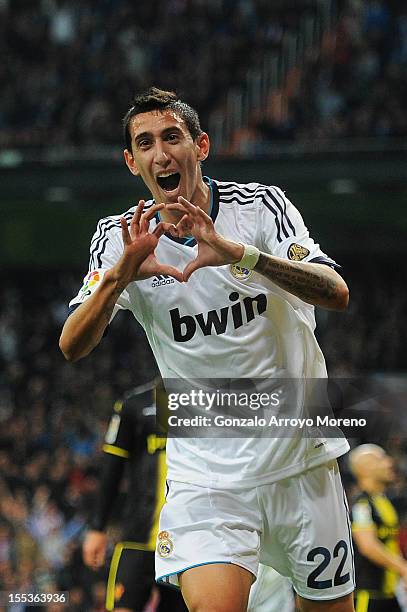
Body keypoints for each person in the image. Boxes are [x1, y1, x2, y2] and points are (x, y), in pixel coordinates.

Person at [60, 87, 354, 612]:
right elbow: (71, 346)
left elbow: (335, 291)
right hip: (207, 475)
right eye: (145, 143)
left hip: (301, 461)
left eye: (172, 137)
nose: (161, 153)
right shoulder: (118, 239)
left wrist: (242, 255)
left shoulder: (260, 207)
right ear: (132, 162)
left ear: (201, 146)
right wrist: (119, 277)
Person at [82, 380, 188, 612]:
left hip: (187, 541)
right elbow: (112, 467)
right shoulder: (136, 404)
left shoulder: (210, 403)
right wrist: (97, 527)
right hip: (138, 537)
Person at [349, 444, 407, 612]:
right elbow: (368, 546)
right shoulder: (361, 504)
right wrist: (403, 568)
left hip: (389, 594)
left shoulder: (383, 501)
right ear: (364, 468)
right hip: (368, 596)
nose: (389, 462)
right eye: (381, 458)